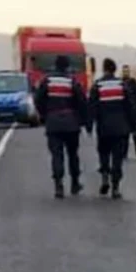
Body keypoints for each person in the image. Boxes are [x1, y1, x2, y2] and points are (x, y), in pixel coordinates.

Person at [33, 54, 89, 198]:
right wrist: (82, 120)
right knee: (72, 155)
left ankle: (58, 185)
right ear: (67, 66)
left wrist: (44, 115)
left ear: (55, 66)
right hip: (71, 123)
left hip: (53, 123)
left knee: (56, 155)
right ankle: (75, 183)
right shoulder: (72, 81)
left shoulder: (47, 81)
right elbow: (81, 101)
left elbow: (38, 100)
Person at [91, 59, 136, 198]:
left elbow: (92, 105)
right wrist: (133, 125)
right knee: (117, 158)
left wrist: (89, 123)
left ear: (104, 69)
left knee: (104, 153)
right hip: (121, 128)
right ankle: (115, 187)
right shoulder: (122, 85)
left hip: (104, 128)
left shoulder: (98, 85)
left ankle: (105, 177)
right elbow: (130, 106)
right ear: (115, 69)